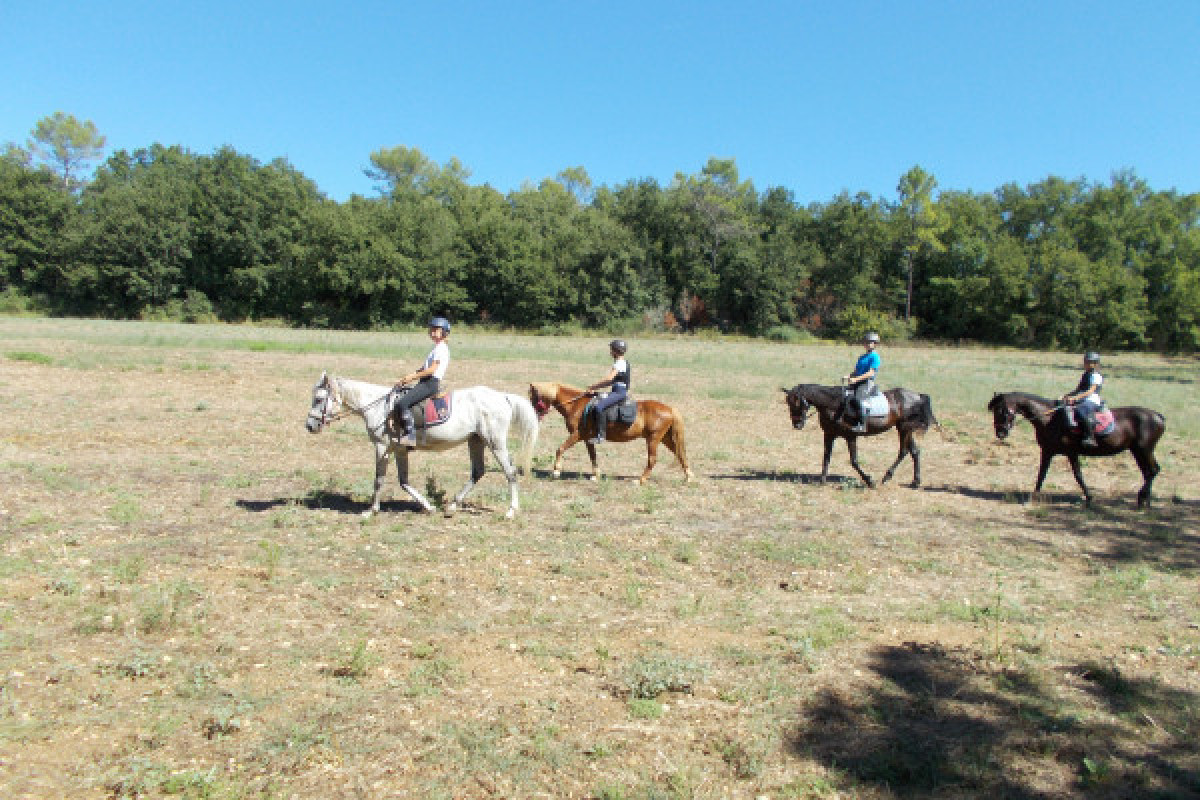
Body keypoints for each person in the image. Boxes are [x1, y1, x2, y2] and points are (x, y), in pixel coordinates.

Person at [392, 317, 451, 447]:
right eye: (432, 330)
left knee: (402, 403)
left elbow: (431, 370)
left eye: (437, 330)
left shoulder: (441, 349)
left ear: (444, 332)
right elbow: (423, 368)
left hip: (430, 383)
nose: (433, 332)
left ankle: (410, 436)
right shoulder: (436, 348)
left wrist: (412, 378)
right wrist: (407, 377)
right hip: (425, 381)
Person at [586, 339, 630, 443]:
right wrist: (594, 389)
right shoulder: (622, 362)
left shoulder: (619, 363)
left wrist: (593, 386)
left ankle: (601, 436)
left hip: (619, 392)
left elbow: (609, 379)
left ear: (615, 351)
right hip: (616, 390)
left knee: (599, 407)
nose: (610, 352)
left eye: (611, 350)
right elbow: (609, 382)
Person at [1060, 351, 1104, 447]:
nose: (1086, 364)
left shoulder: (1096, 376)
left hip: (1092, 400)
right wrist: (1067, 396)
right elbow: (1078, 389)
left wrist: (1075, 398)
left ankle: (1089, 437)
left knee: (1081, 410)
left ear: (1095, 364)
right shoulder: (1085, 375)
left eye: (1089, 362)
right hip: (1082, 398)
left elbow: (1090, 391)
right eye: (1086, 362)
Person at [842, 332, 881, 433]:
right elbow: (856, 371)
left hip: (867, 382)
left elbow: (870, 373)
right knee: (843, 395)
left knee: (858, 399)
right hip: (857, 381)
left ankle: (862, 425)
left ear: (875, 344)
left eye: (870, 342)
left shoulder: (875, 357)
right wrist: (849, 376)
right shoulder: (862, 357)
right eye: (866, 342)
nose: (867, 344)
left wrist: (856, 379)